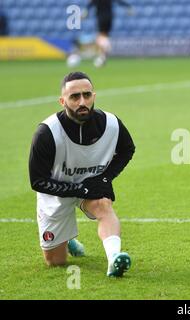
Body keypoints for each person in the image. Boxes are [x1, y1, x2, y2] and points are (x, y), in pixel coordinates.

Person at [29, 71, 136, 277]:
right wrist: (76, 188)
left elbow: (127, 149)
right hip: (56, 190)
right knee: (56, 262)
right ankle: (67, 240)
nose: (82, 102)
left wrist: (105, 177)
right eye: (74, 97)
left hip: (91, 184)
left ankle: (114, 259)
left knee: (103, 205)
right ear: (62, 101)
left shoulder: (111, 124)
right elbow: (37, 180)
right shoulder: (47, 132)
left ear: (93, 96)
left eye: (87, 95)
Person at [83, 0, 134, 67]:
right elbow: (119, 2)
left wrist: (85, 12)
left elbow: (90, 5)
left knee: (100, 36)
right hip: (109, 18)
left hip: (100, 18)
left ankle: (103, 54)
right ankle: (103, 55)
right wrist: (128, 7)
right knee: (105, 36)